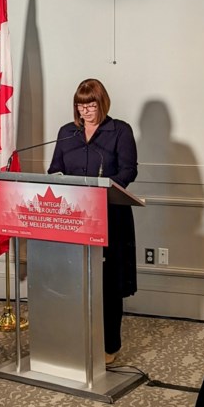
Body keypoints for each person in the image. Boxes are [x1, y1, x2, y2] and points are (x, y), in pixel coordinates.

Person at [48, 78, 138, 365]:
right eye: (80, 105)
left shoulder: (119, 130)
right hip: (73, 217)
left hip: (110, 215)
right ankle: (74, 339)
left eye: (91, 105)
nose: (85, 111)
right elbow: (54, 170)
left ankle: (109, 345)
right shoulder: (66, 133)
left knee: (108, 285)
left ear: (102, 103)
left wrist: (103, 189)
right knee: (73, 281)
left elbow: (128, 170)